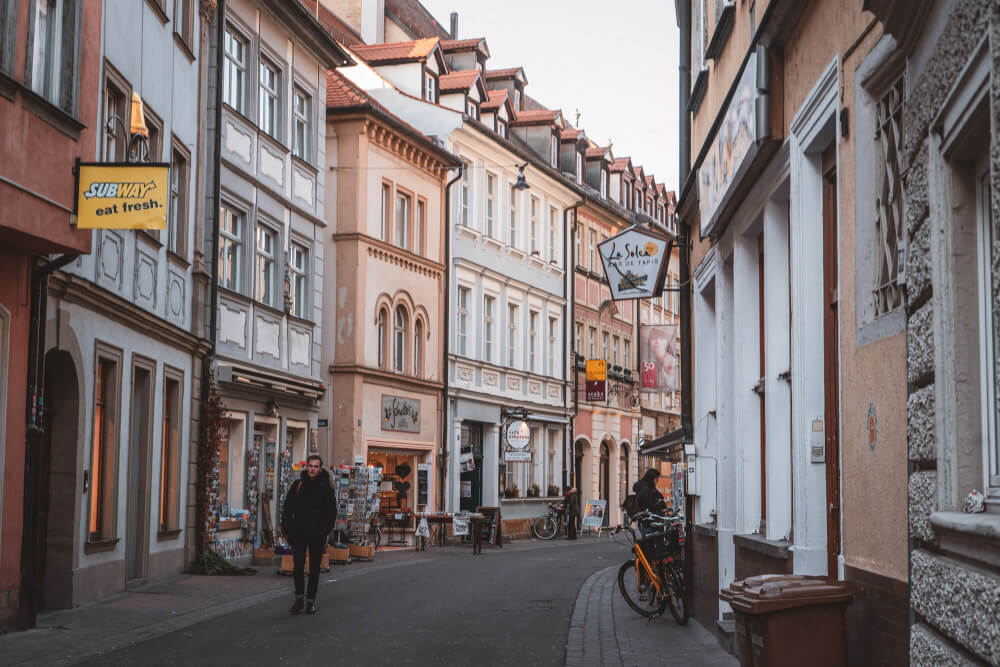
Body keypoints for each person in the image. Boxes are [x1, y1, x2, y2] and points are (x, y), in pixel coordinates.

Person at [280, 455, 336, 614]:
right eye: (310, 466)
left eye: (316, 466)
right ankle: (299, 598)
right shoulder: (298, 485)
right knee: (297, 566)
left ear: (320, 468)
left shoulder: (326, 488)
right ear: (307, 467)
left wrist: (324, 530)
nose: (313, 469)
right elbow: (287, 508)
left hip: (317, 535)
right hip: (299, 533)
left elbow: (331, 512)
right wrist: (288, 529)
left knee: (314, 569)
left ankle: (310, 601)